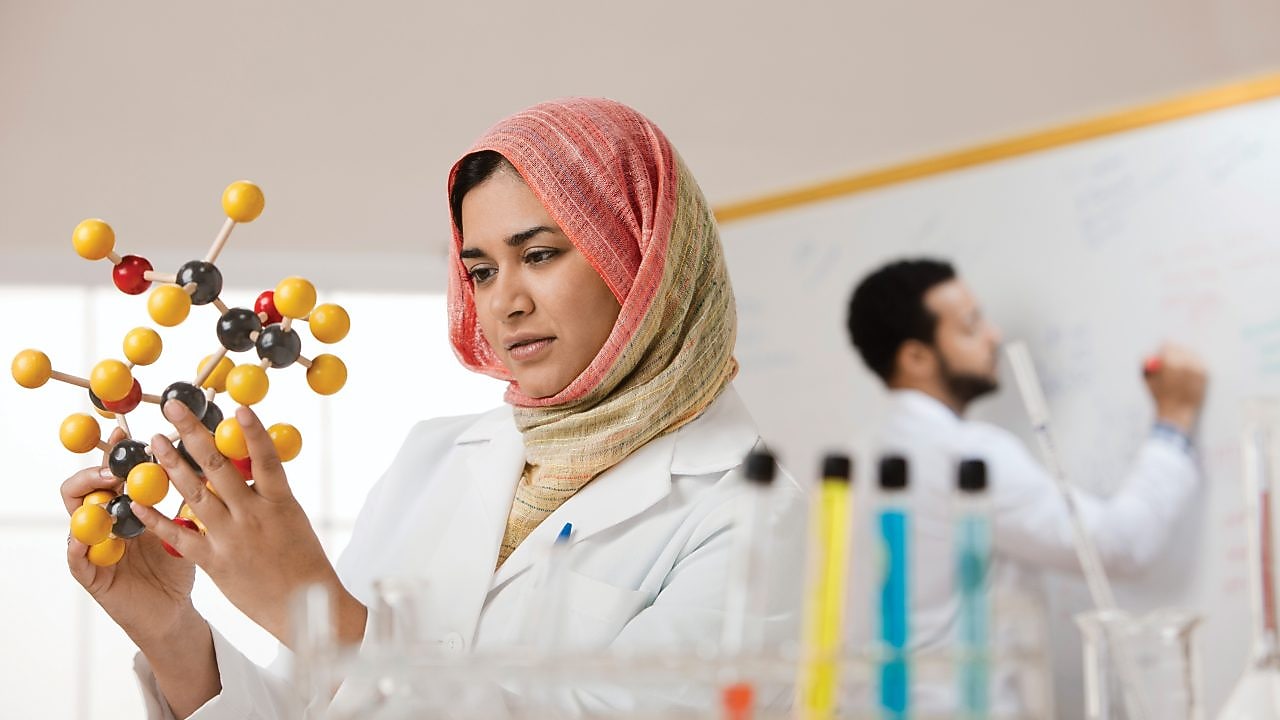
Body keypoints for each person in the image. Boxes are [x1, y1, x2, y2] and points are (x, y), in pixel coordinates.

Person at [59, 97, 805, 719]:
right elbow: (309, 708)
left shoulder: (753, 516)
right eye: (480, 270)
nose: (505, 302)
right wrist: (171, 633)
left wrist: (313, 610)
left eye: (540, 254)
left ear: (644, 257)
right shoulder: (435, 456)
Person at [845, 258, 1207, 714]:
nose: (993, 335)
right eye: (971, 326)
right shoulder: (965, 455)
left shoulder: (859, 454)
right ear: (916, 357)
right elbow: (1119, 545)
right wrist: (1175, 419)